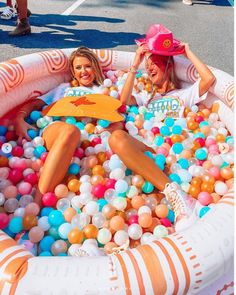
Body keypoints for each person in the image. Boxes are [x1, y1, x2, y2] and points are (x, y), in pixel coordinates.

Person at [109, 24, 216, 231]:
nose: (148, 69)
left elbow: (209, 79)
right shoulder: (145, 99)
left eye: (154, 63)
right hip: (146, 151)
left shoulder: (183, 95)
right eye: (147, 66)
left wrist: (187, 51)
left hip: (171, 158)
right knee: (116, 138)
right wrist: (135, 64)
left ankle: (174, 193)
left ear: (168, 65)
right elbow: (122, 101)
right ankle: (174, 193)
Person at [14, 47, 123, 202]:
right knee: (70, 131)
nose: (83, 71)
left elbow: (118, 120)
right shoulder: (64, 89)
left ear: (96, 67)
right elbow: (34, 105)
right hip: (55, 130)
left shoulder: (102, 91)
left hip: (87, 142)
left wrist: (104, 130)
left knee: (74, 134)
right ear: (73, 71)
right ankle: (37, 203)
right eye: (78, 67)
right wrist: (19, 118)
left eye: (88, 66)